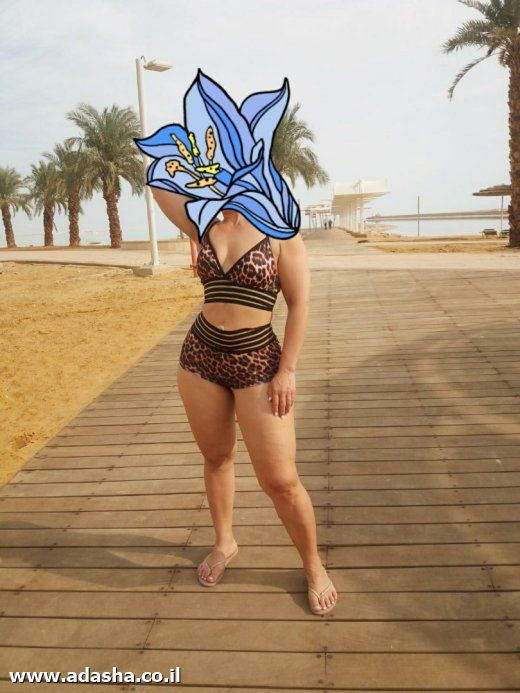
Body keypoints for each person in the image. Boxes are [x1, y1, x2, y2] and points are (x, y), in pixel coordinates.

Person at [135, 69, 337, 616]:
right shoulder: (203, 221)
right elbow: (158, 181)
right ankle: (225, 541)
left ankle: (313, 565)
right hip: (199, 357)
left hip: (258, 362)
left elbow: (300, 304)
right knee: (217, 456)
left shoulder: (281, 230)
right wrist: (195, 163)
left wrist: (287, 369)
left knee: (281, 479)